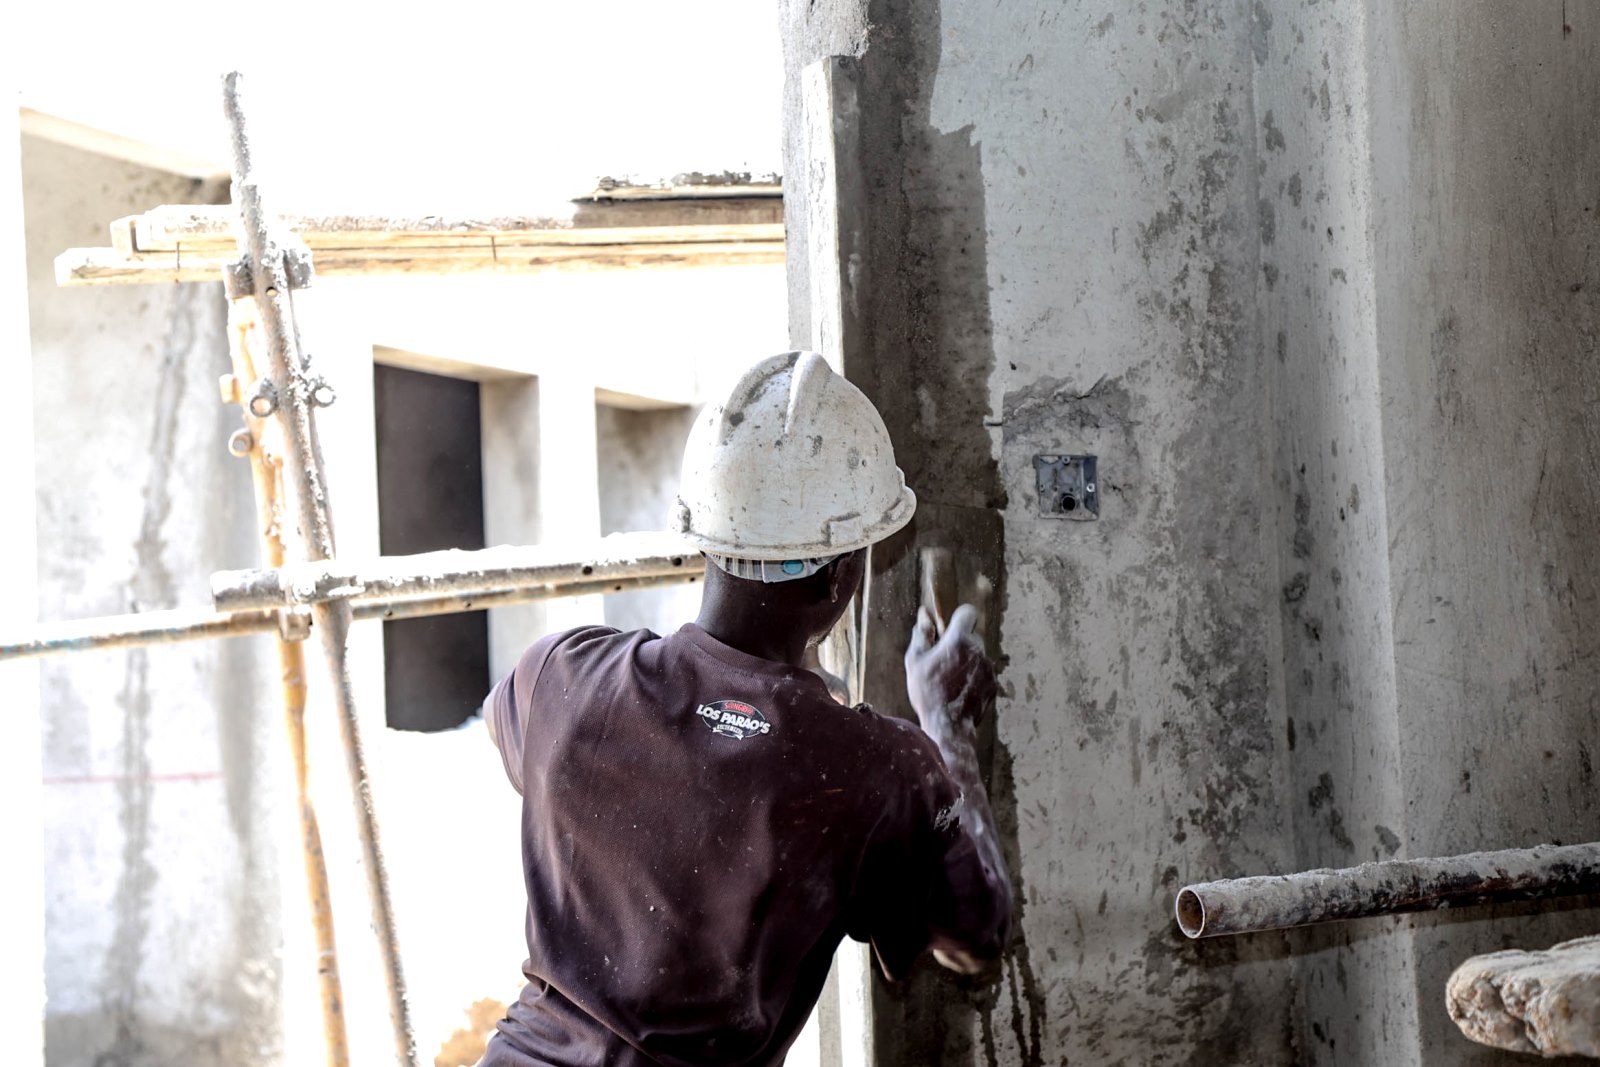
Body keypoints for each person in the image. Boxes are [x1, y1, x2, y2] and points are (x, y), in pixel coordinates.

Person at [479, 351, 1011, 1067]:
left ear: (706, 537)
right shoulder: (875, 769)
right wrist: (943, 729)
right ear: (845, 573)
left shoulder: (562, 673)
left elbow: (528, 743)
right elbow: (976, 939)